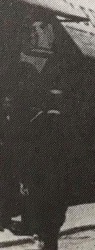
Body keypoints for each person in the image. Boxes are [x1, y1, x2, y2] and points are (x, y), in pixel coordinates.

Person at [22, 89, 72, 250]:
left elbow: (28, 154)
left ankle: (43, 244)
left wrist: (25, 180)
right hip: (60, 184)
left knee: (42, 223)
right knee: (55, 224)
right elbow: (75, 157)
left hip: (40, 182)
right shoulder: (68, 124)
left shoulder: (35, 122)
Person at [0, 94, 20, 231]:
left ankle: (5, 219)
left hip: (9, 161)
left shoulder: (13, 120)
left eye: (10, 103)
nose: (9, 105)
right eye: (6, 103)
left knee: (8, 191)